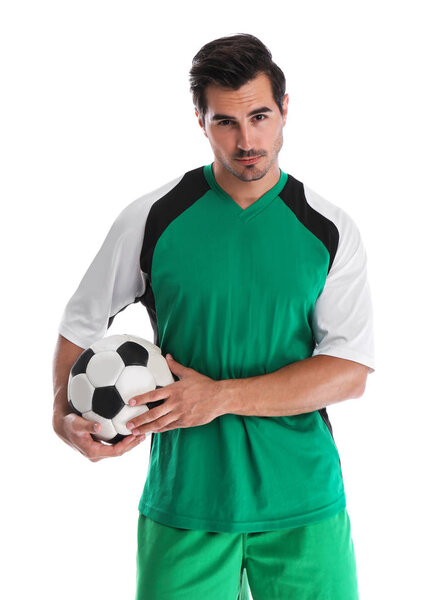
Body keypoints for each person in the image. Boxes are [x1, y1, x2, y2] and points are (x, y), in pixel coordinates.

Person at [53, 33, 375, 600]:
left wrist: (220, 396)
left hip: (303, 500)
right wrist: (63, 414)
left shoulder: (328, 229)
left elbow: (348, 371)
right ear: (200, 120)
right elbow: (79, 327)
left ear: (284, 110)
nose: (246, 140)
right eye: (225, 121)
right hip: (186, 501)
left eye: (259, 116)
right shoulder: (152, 218)